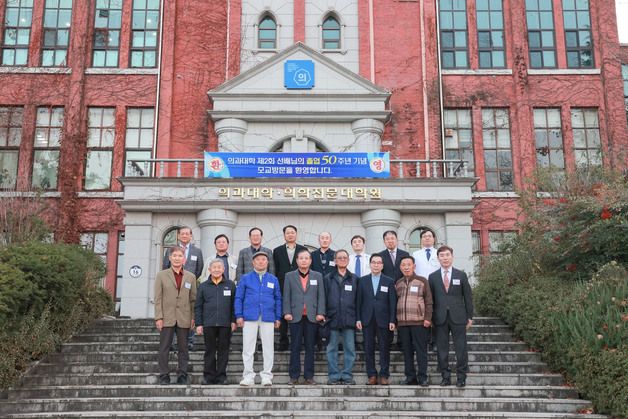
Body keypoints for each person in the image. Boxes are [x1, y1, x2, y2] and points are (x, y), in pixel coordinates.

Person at [234, 251, 282, 386]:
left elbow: (278, 299)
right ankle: (248, 376)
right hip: (249, 316)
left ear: (267, 262)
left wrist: (278, 317)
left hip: (268, 316)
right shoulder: (245, 278)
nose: (261, 262)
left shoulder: (273, 279)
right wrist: (239, 315)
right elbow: (239, 298)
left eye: (263, 260)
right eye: (258, 260)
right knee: (248, 348)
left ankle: (267, 375)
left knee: (268, 347)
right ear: (253, 263)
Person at [429, 245, 474, 388]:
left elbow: (468, 297)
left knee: (461, 348)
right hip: (439, 318)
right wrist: (430, 318)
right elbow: (430, 300)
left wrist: (470, 316)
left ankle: (461, 377)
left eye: (447, 255)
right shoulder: (433, 277)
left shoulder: (461, 275)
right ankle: (445, 377)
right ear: (438, 258)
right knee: (442, 349)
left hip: (459, 317)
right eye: (442, 256)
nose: (445, 258)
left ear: (452, 257)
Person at [154, 246, 197, 385]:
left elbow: (193, 299)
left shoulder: (191, 276)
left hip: (184, 317)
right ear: (170, 258)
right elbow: (158, 298)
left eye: (180, 256)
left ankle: (182, 374)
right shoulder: (161, 275)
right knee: (164, 347)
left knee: (183, 348)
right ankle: (164, 375)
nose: (177, 258)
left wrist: (193, 317)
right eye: (175, 256)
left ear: (184, 259)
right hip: (167, 316)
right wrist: (159, 317)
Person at [283, 249, 326, 385]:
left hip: (312, 316)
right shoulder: (289, 276)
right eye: (301, 258)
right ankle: (294, 376)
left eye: (306, 258)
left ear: (310, 260)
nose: (304, 261)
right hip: (295, 316)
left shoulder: (317, 276)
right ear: (297, 260)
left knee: (310, 347)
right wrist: (286, 312)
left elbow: (321, 296)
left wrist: (321, 312)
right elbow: (286, 296)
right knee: (295, 347)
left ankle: (309, 376)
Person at [356, 254, 396, 385]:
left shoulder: (389, 281)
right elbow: (359, 302)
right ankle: (371, 374)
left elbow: (392, 302)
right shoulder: (362, 281)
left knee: (384, 348)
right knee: (368, 348)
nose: (376, 265)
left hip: (384, 319)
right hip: (367, 319)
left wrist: (392, 320)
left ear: (382, 265)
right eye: (374, 262)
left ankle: (384, 374)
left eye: (379, 263)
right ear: (370, 264)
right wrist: (358, 319)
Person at [195, 259, 236, 385]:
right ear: (209, 270)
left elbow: (234, 305)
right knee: (210, 350)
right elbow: (198, 306)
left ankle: (221, 376)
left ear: (223, 269)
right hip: (209, 323)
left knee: (224, 351)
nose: (217, 269)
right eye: (214, 267)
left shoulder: (230, 285)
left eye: (219, 267)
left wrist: (233, 320)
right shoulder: (203, 286)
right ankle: (209, 376)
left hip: (225, 323)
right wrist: (199, 323)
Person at [162, 226, 204, 350]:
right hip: (173, 286)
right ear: (178, 236)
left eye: (187, 234)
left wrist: (189, 279)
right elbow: (165, 266)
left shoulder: (197, 251)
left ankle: (190, 342)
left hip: (189, 286)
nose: (185, 236)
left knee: (190, 312)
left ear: (191, 236)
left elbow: (199, 268)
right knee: (173, 312)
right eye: (182, 234)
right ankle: (174, 342)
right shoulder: (171, 250)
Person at [395, 255, 433, 386]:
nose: (406, 267)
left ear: (414, 266)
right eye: (403, 265)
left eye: (408, 264)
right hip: (403, 323)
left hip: (419, 322)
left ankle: (423, 377)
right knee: (407, 352)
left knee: (421, 350)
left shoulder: (422, 281)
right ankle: (410, 377)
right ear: (400, 267)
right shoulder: (398, 283)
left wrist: (428, 318)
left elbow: (429, 301)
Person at [324, 249, 358, 385]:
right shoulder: (327, 278)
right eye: (340, 258)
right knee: (331, 348)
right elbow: (324, 297)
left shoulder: (355, 279)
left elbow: (358, 300)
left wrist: (358, 318)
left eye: (345, 258)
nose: (342, 260)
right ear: (335, 261)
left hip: (349, 318)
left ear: (348, 260)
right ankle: (334, 375)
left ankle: (347, 374)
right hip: (332, 318)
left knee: (350, 348)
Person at [273, 225, 307, 351]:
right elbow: (275, 269)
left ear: (296, 234)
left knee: (299, 314)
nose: (290, 235)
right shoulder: (277, 251)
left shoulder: (303, 249)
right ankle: (283, 341)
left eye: (292, 232)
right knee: (283, 313)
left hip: (300, 286)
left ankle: (298, 342)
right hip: (282, 286)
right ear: (284, 235)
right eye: (288, 233)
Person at [412, 228, 439, 351]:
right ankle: (425, 339)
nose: (427, 238)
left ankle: (435, 340)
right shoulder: (415, 254)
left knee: (436, 314)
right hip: (421, 287)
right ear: (421, 240)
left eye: (429, 236)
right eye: (424, 236)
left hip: (436, 287)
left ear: (434, 239)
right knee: (423, 313)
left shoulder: (439, 253)